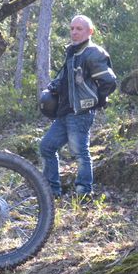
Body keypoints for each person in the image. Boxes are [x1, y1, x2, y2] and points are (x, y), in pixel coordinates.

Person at [39, 15, 117, 200]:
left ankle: (84, 192)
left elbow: (109, 81)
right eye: (72, 28)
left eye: (79, 29)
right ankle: (51, 192)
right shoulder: (73, 52)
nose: (74, 32)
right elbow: (67, 80)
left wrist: (95, 100)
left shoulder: (93, 53)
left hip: (80, 114)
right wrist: (53, 88)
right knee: (47, 147)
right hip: (64, 112)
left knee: (80, 153)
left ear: (90, 32)